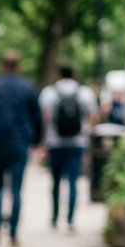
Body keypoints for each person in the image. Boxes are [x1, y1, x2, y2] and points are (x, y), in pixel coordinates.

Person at [0, 50, 42, 247]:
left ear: (2, 66)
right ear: (19, 67)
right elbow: (37, 118)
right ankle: (14, 233)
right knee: (16, 188)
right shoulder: (29, 88)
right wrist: (36, 141)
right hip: (20, 143)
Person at [39, 63, 99, 232]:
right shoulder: (84, 93)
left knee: (56, 181)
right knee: (73, 181)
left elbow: (44, 118)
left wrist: (43, 141)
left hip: (55, 143)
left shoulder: (50, 93)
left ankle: (55, 217)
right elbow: (94, 116)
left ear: (58, 74)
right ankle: (71, 220)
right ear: (74, 74)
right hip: (77, 143)